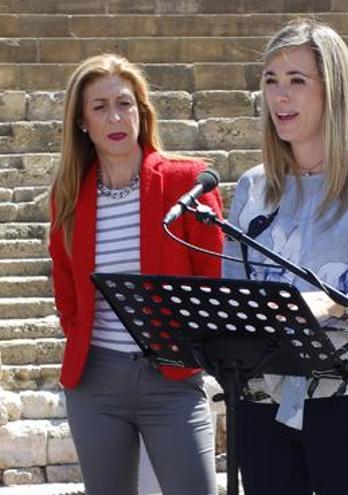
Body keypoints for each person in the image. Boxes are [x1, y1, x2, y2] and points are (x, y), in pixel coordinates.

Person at [221, 19, 348, 495]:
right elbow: (233, 295)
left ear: (333, 90)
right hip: (261, 399)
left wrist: (333, 303)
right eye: (271, 81)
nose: (280, 96)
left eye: (297, 80)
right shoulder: (253, 188)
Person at [48, 53, 221, 495]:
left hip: (173, 377)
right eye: (100, 107)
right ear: (83, 122)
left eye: (124, 103)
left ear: (141, 112)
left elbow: (212, 276)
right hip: (96, 383)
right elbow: (67, 291)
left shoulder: (187, 183)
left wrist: (187, 349)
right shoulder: (68, 195)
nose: (115, 117)